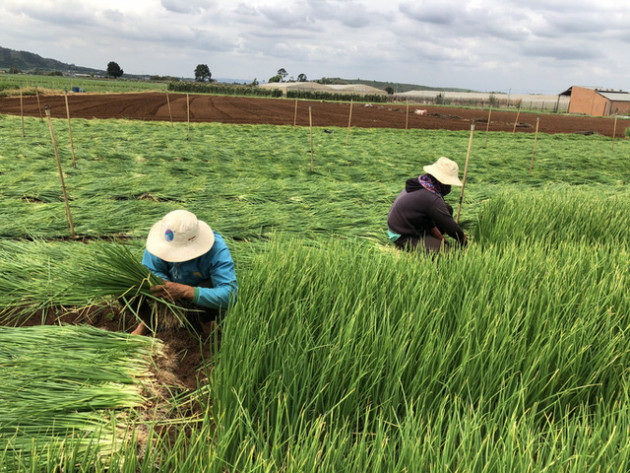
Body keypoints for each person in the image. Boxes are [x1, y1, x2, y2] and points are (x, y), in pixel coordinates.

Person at [131, 209, 238, 336]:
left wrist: (186, 291)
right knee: (126, 284)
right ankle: (148, 321)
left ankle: (207, 321)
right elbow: (152, 269)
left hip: (198, 288)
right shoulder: (160, 241)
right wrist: (162, 284)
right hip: (168, 286)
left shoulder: (216, 249)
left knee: (210, 286)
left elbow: (230, 294)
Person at [387, 156, 467, 253]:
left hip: (412, 223)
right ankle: (411, 247)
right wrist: (463, 239)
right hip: (402, 234)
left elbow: (429, 218)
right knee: (445, 252)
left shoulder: (423, 183)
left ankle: (429, 240)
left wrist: (440, 238)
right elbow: (450, 227)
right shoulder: (431, 197)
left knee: (447, 209)